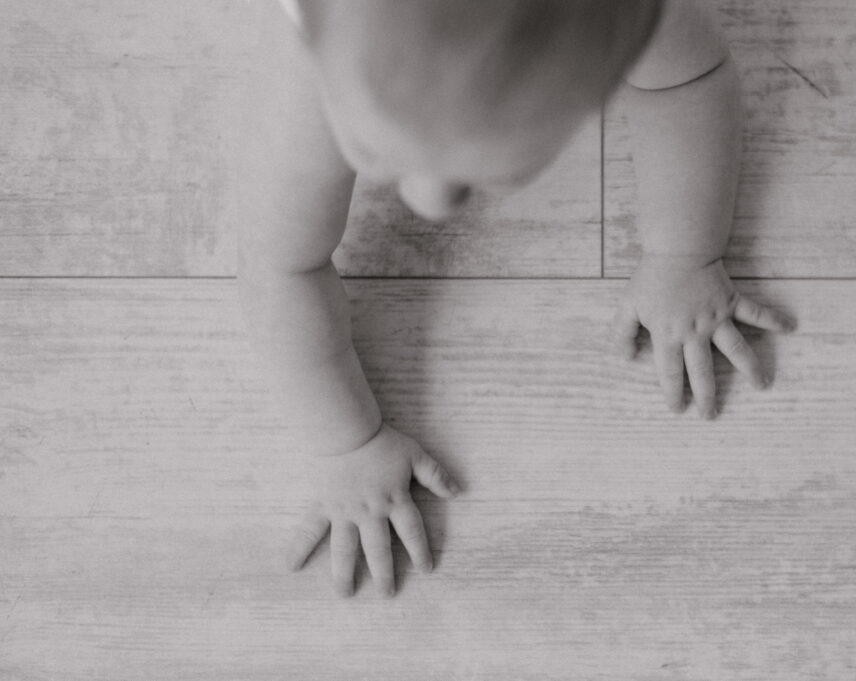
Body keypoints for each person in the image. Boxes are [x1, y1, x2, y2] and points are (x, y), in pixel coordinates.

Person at [235, 0, 796, 598]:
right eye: (378, 153)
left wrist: (683, 255)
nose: (428, 204)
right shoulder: (315, 45)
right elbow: (276, 266)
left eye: (491, 175)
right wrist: (344, 441)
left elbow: (687, 81)